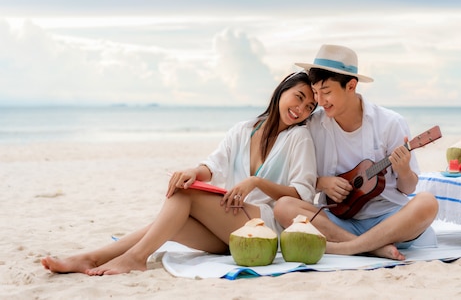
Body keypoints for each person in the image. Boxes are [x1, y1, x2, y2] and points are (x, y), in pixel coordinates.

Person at [41, 72, 318, 275]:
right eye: (299, 97)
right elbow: (212, 166)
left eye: (309, 108)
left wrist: (255, 182)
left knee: (185, 195)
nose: (301, 109)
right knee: (170, 221)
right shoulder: (244, 129)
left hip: (264, 226)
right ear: (282, 90)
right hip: (230, 230)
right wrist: (192, 171)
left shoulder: (300, 137)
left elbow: (301, 194)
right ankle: (90, 258)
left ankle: (135, 257)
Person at [273, 45, 438, 260]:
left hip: (388, 220)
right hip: (338, 221)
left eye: (327, 92)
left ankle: (345, 248)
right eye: (315, 92)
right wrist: (322, 183)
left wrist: (404, 170)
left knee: (427, 202)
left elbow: (408, 188)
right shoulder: (312, 126)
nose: (320, 102)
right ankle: (370, 248)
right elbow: (294, 178)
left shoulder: (390, 123)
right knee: (283, 206)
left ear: (351, 86)